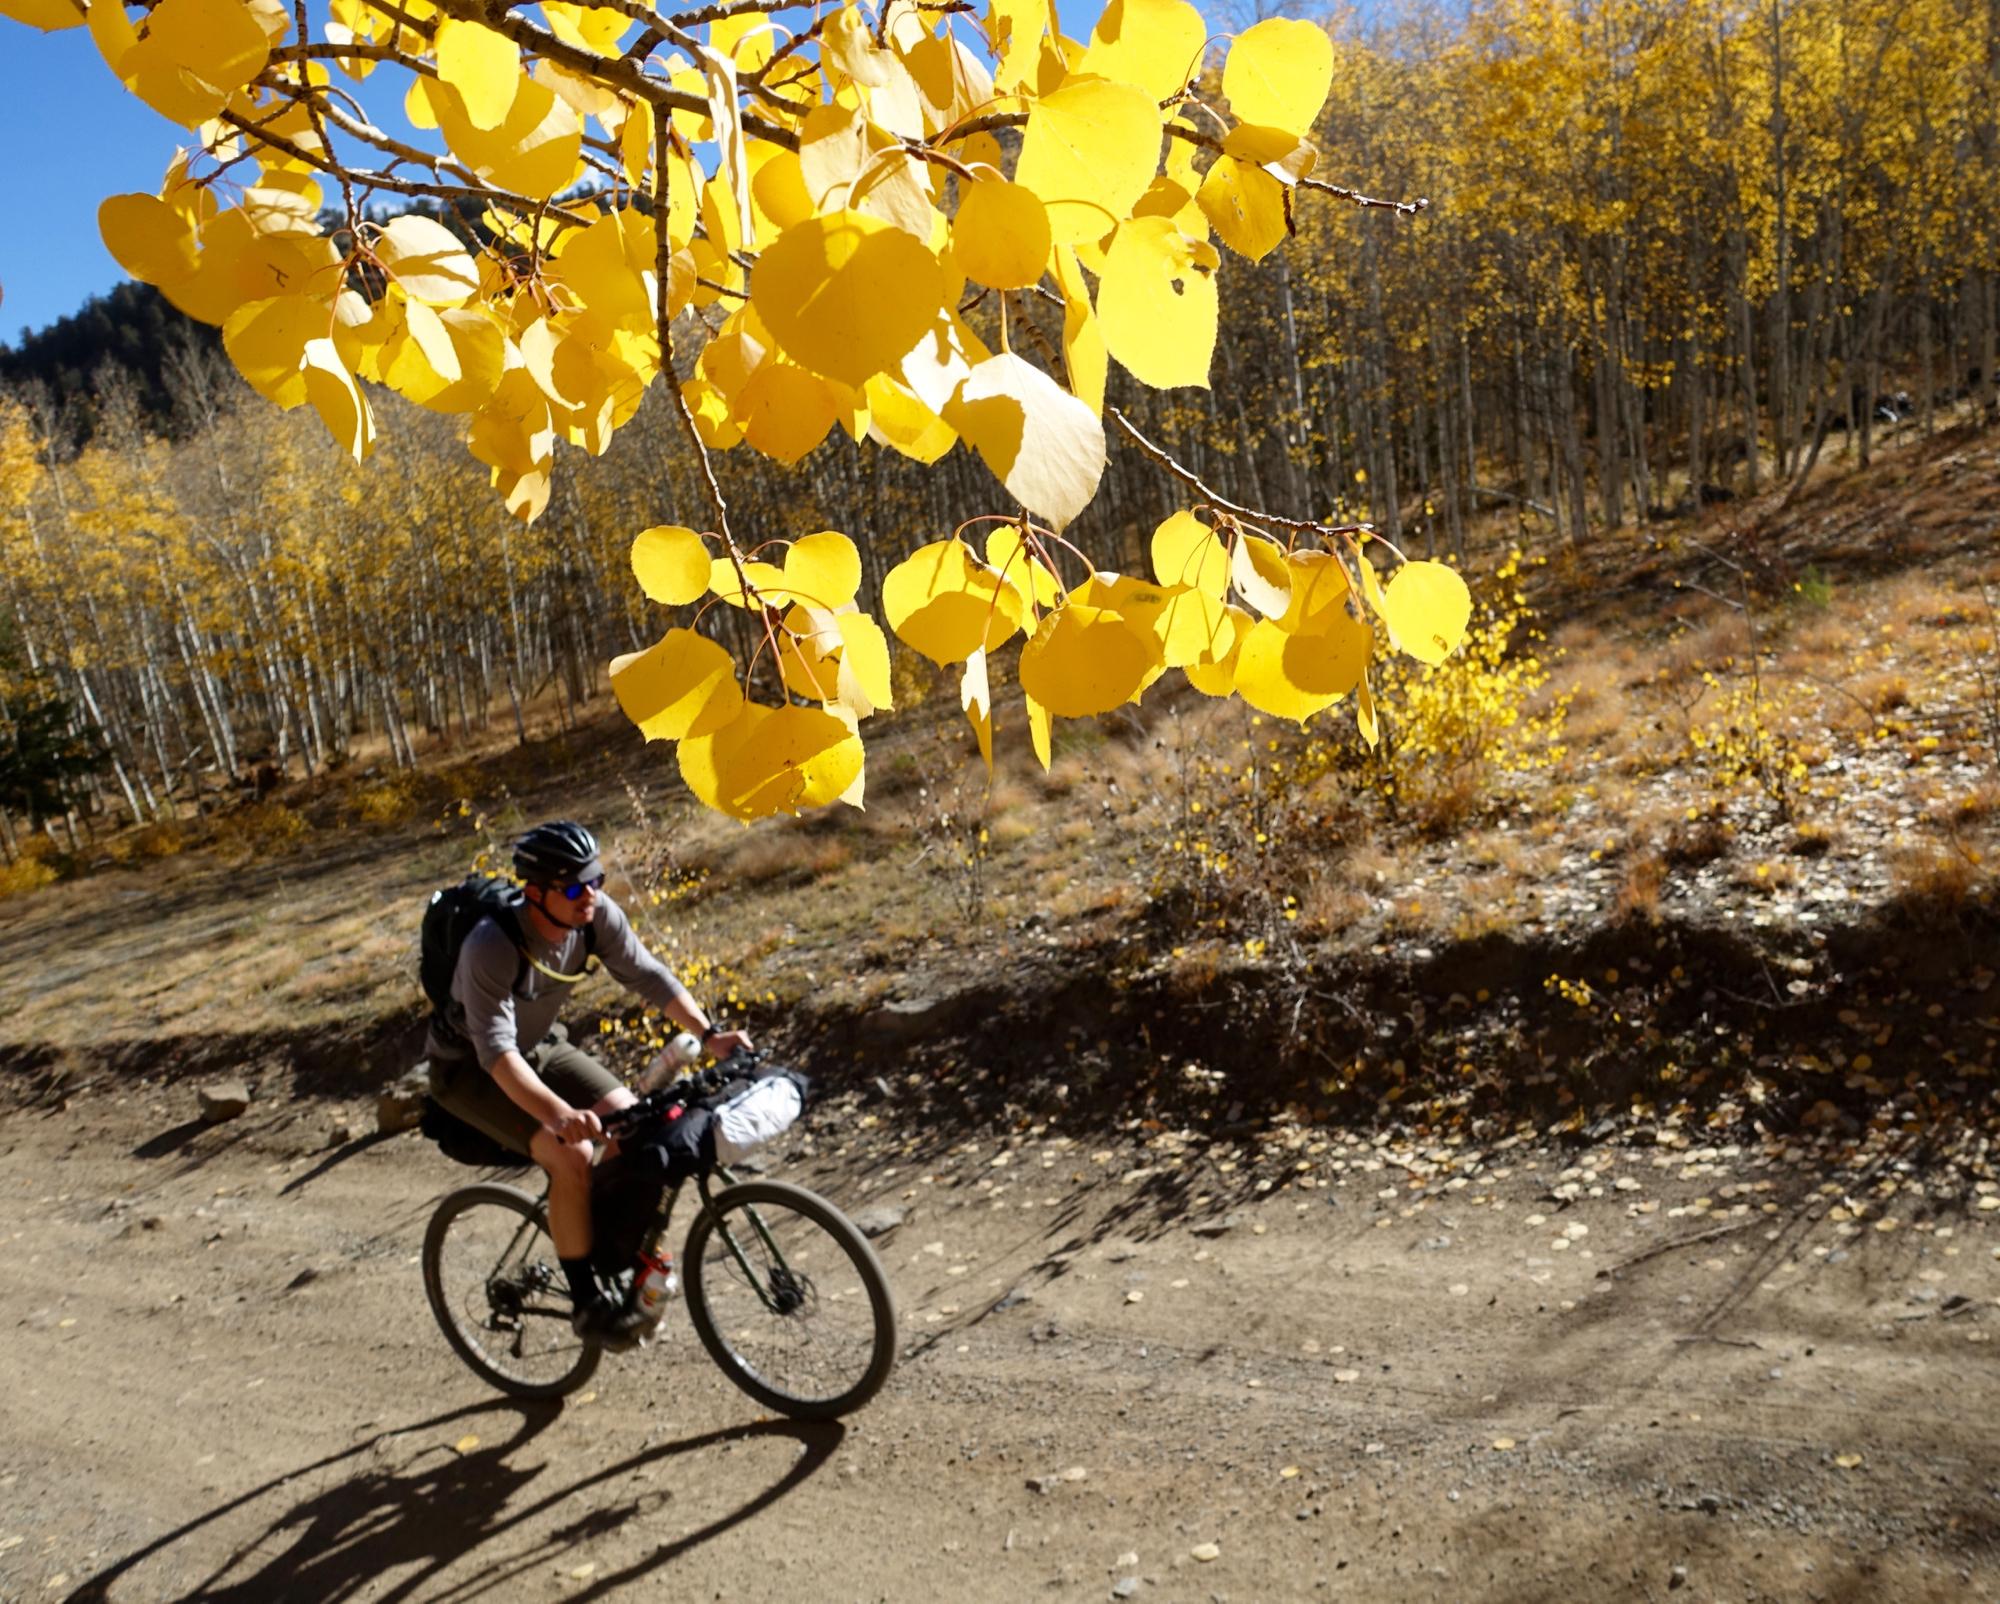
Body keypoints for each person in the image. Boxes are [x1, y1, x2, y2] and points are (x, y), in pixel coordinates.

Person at [426, 819, 753, 1345]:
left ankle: (593, 1234)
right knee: (570, 1155)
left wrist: (710, 1034)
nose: (592, 896)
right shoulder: (491, 945)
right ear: (536, 893)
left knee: (632, 1125)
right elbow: (497, 1053)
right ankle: (585, 1300)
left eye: (596, 879)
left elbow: (648, 974)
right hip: (470, 1069)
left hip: (542, 1047)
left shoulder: (595, 916)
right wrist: (558, 1116)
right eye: (576, 887)